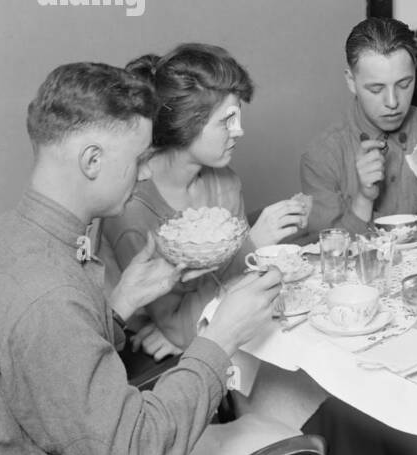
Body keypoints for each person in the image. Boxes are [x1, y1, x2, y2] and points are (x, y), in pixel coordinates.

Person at [0, 63, 383, 455]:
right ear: (90, 160)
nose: (145, 173)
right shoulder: (48, 295)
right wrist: (219, 339)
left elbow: (46, 382)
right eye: (138, 160)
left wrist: (123, 301)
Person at [102, 43, 308, 355]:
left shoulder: (225, 182)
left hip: (222, 335)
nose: (239, 131)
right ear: (186, 125)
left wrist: (185, 329)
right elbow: (182, 326)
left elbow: (240, 293)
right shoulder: (130, 211)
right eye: (227, 120)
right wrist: (250, 247)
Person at [301, 16, 417, 234]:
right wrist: (363, 200)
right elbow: (326, 255)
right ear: (351, 81)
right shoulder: (322, 156)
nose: (393, 102)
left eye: (404, 84)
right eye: (376, 89)